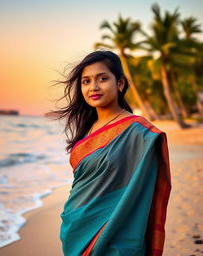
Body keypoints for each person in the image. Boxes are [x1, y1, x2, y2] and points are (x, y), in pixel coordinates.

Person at [45, 50, 172, 256]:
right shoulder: (87, 128)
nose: (93, 87)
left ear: (120, 84)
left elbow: (141, 187)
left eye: (102, 79)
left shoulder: (138, 133)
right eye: (86, 81)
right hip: (76, 226)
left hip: (118, 232)